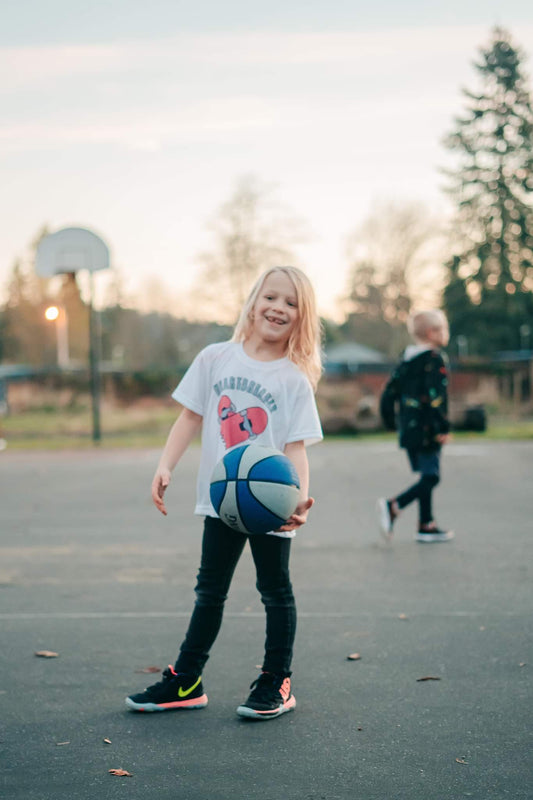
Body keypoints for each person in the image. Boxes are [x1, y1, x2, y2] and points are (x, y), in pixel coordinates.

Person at [126, 266, 323, 720]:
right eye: (271, 297)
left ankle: (278, 680)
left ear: (301, 317)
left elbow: (296, 449)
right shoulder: (216, 358)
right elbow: (190, 418)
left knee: (275, 590)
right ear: (254, 301)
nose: (278, 308)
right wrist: (164, 465)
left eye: (291, 303)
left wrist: (299, 502)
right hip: (222, 499)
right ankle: (186, 681)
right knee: (209, 591)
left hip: (270, 503)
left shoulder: (293, 379)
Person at [377, 309, 453, 543]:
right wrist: (442, 427)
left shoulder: (406, 361)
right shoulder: (434, 359)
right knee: (432, 477)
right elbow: (435, 398)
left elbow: (388, 394)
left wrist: (391, 422)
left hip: (409, 431)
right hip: (428, 430)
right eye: (443, 328)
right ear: (432, 332)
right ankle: (394, 506)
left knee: (425, 475)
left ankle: (426, 525)